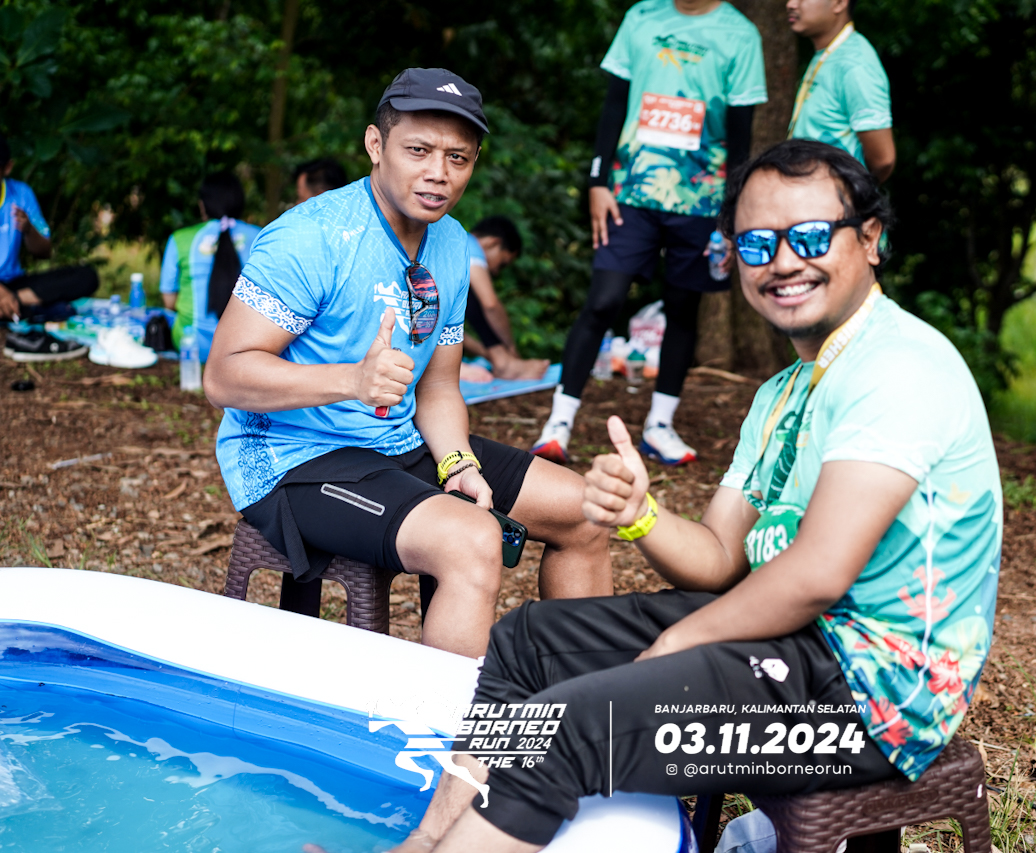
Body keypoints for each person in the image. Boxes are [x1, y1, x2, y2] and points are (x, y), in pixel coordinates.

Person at [380, 140, 1001, 853]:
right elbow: (717, 559)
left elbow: (818, 574)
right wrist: (640, 516)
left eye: (809, 236)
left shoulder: (897, 367)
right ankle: (425, 841)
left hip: (872, 698)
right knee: (528, 642)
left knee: (572, 728)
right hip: (792, 646)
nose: (783, 261)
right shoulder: (782, 395)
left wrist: (682, 640)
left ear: (870, 239)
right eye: (758, 243)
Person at [204, 68, 612, 660]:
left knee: (586, 512)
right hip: (295, 459)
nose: (438, 172)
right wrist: (351, 380)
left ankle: (579, 705)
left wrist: (457, 462)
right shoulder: (312, 237)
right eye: (418, 150)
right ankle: (443, 721)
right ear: (376, 144)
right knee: (473, 539)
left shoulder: (452, 244)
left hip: (399, 443)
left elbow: (440, 385)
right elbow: (223, 375)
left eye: (457, 157)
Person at [531, 0, 767, 467]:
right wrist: (597, 181)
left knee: (682, 308)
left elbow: (742, 135)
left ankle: (660, 426)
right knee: (603, 300)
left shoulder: (741, 34)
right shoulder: (641, 17)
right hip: (630, 192)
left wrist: (731, 210)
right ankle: (558, 423)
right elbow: (614, 104)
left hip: (701, 198)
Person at [0, 131, 96, 361]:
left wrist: (29, 229)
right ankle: (19, 305)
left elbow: (44, 251)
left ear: (7, 168)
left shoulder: (21, 194)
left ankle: (10, 305)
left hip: (15, 283)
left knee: (86, 277)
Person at [786, 0, 895, 182]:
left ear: (839, 3)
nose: (791, 4)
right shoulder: (828, 53)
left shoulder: (855, 65)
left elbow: (883, 160)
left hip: (830, 198)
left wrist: (852, 193)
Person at [158, 172, 262, 360]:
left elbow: (169, 302)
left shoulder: (179, 239)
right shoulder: (261, 237)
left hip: (192, 345)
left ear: (202, 205)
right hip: (245, 347)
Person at [463, 215, 549, 380]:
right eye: (503, 264)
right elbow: (490, 304)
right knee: (472, 290)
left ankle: (502, 361)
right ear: (493, 243)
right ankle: (505, 363)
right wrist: (510, 349)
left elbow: (450, 331)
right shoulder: (468, 244)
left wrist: (488, 353)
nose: (496, 272)